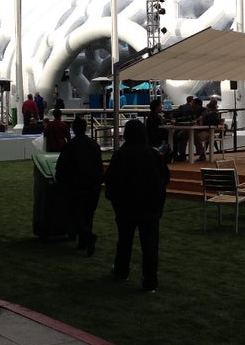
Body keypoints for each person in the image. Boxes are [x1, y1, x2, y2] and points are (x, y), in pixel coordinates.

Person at [104, 119, 170, 292]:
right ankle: (150, 282)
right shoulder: (154, 154)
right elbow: (165, 178)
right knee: (150, 246)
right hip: (151, 208)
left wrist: (113, 198)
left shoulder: (121, 155)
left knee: (124, 241)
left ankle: (121, 271)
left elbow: (111, 180)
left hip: (126, 207)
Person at [56, 116, 104, 256]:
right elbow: (98, 165)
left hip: (75, 185)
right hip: (92, 185)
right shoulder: (94, 144)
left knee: (75, 213)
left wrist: (61, 180)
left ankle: (87, 237)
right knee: (88, 214)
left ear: (73, 129)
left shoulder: (70, 146)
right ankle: (84, 241)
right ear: (86, 128)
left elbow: (62, 166)